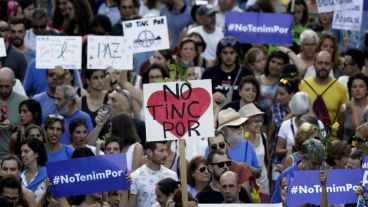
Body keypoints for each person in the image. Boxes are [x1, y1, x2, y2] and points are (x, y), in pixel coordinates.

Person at [300, 50, 348, 131]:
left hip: (331, 140)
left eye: (327, 63)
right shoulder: (302, 85)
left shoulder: (340, 88)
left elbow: (343, 118)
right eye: (320, 63)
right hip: (306, 137)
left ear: (332, 65)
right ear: (314, 64)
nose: (323, 66)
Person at [201, 37, 253, 106]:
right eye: (225, 53)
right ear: (219, 54)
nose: (228, 56)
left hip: (240, 114)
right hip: (215, 114)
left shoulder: (246, 73)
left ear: (237, 53)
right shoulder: (209, 73)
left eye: (232, 52)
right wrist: (210, 97)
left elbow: (253, 96)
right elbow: (200, 97)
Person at [271, 138, 326, 203]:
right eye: (314, 163)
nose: (317, 168)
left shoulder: (322, 178)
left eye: (320, 164)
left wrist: (324, 186)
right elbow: (275, 204)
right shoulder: (286, 176)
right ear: (303, 158)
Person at [129, 141, 178, 207]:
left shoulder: (172, 175)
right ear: (149, 152)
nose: (166, 154)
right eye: (161, 151)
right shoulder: (135, 176)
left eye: (165, 150)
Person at [216, 108, 261, 177]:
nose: (240, 128)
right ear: (223, 130)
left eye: (241, 125)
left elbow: (258, 173)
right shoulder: (214, 147)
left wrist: (248, 168)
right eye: (235, 126)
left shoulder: (247, 145)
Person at [240, 103, 270, 202]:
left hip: (263, 184)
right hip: (245, 184)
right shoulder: (239, 140)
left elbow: (267, 161)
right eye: (255, 121)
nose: (259, 124)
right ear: (245, 123)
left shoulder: (263, 137)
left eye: (260, 121)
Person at [0, 67, 28, 158]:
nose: (3, 90)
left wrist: (13, 127)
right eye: (0, 86)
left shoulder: (23, 101)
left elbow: (29, 130)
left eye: (7, 86)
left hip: (14, 157)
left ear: (14, 83)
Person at [338, 74, 368, 143]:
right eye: (354, 87)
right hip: (348, 151)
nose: (358, 89)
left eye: (361, 86)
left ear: (367, 90)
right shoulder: (343, 109)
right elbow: (339, 134)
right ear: (350, 90)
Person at [19, 138, 48, 202]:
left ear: (36, 154)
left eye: (26, 151)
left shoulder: (48, 174)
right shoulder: (19, 177)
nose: (22, 155)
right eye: (21, 152)